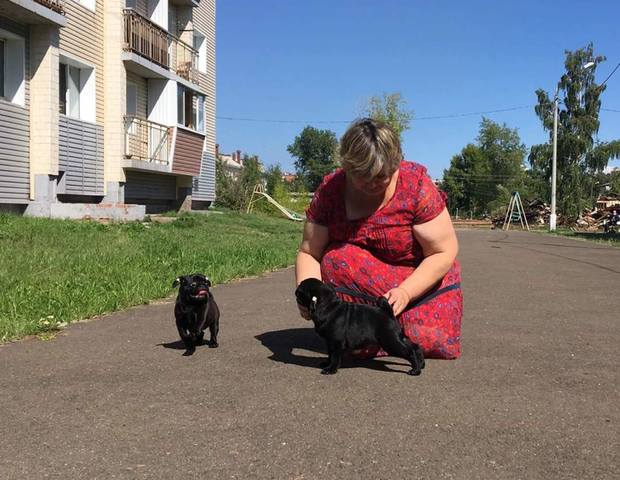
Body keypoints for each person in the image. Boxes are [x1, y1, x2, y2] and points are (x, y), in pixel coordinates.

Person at [295, 118, 462, 359]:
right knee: (336, 259)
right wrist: (308, 294)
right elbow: (310, 252)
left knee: (426, 337)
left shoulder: (416, 186)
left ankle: (370, 336)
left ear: (397, 163)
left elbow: (443, 251)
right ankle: (364, 336)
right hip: (362, 286)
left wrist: (405, 292)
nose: (373, 183)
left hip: (419, 281)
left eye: (382, 175)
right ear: (347, 166)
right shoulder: (331, 191)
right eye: (363, 176)